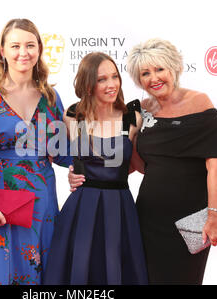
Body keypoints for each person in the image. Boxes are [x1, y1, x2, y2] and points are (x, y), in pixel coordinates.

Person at [70, 38, 217, 284]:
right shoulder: (141, 110)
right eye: (145, 73)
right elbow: (130, 163)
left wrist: (215, 217)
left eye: (159, 69)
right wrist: (81, 174)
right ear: (137, 79)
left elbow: (215, 165)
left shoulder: (199, 102)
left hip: (189, 220)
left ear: (173, 68)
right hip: (147, 217)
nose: (154, 78)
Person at [0, 18, 72, 285]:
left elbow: (59, 152)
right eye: (15, 46)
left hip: (42, 200)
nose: (23, 53)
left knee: (41, 273)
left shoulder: (51, 97)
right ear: (2, 51)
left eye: (29, 45)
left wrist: (80, 167)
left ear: (39, 49)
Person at [43, 52, 148, 285]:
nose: (111, 84)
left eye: (114, 77)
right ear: (88, 84)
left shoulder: (133, 118)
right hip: (81, 207)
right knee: (79, 273)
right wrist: (72, 171)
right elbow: (60, 154)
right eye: (102, 79)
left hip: (120, 207)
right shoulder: (72, 116)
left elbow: (134, 165)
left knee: (116, 271)